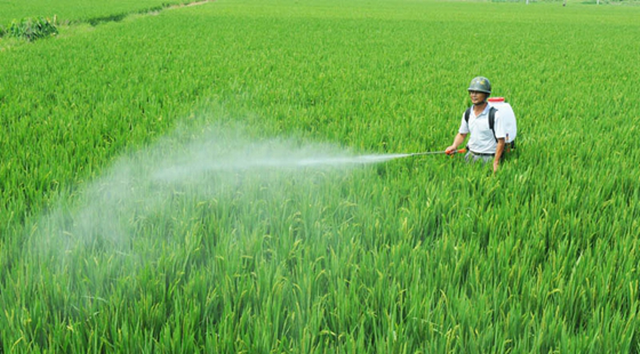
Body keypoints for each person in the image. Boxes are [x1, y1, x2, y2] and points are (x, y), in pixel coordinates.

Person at [445, 76, 506, 172]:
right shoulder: (468, 113)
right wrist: (454, 146)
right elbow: (462, 134)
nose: (474, 95)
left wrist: (496, 162)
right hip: (470, 156)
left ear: (486, 95)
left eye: (477, 92)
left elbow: (501, 141)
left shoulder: (494, 115)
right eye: (472, 92)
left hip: (488, 158)